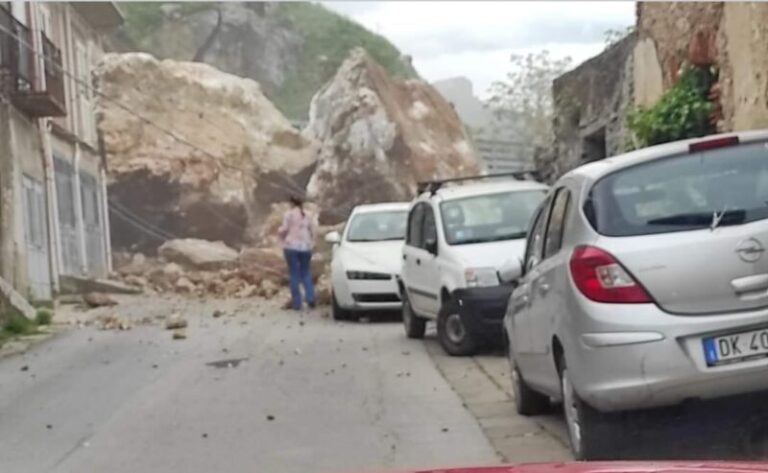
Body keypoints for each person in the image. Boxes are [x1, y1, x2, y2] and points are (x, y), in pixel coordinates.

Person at [278, 196, 317, 310]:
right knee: (305, 272)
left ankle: (297, 303)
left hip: (291, 247)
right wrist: (312, 243)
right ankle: (310, 298)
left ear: (291, 203)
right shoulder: (308, 214)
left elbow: (284, 229)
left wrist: (279, 232)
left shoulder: (289, 214)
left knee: (294, 274)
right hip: (306, 247)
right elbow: (314, 230)